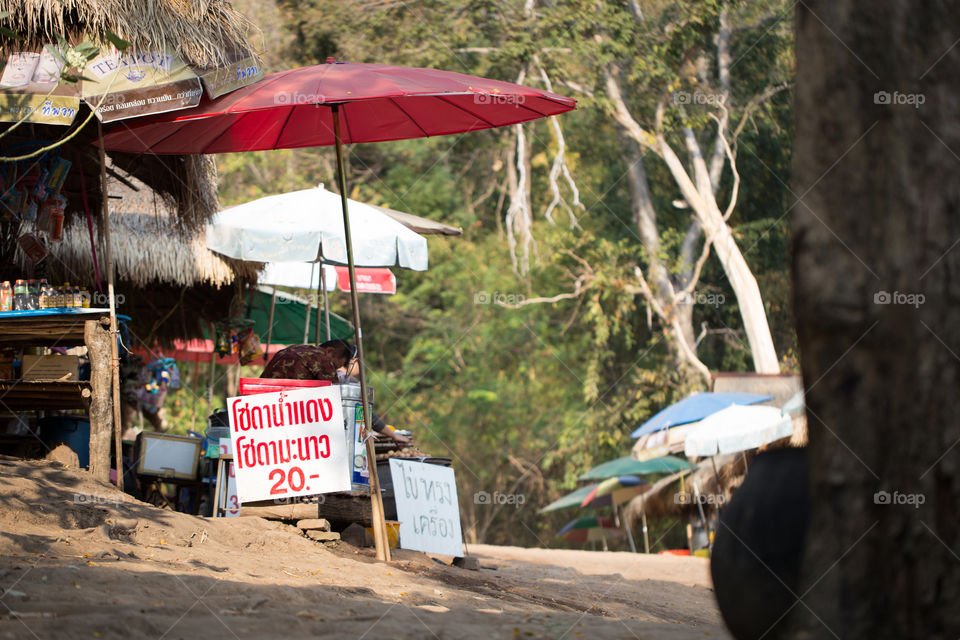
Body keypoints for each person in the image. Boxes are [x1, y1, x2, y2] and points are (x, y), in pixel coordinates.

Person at [260, 339, 354, 382]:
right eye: (335, 365)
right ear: (329, 351)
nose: (333, 369)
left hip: (260, 400)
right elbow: (335, 394)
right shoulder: (323, 359)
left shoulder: (293, 348)